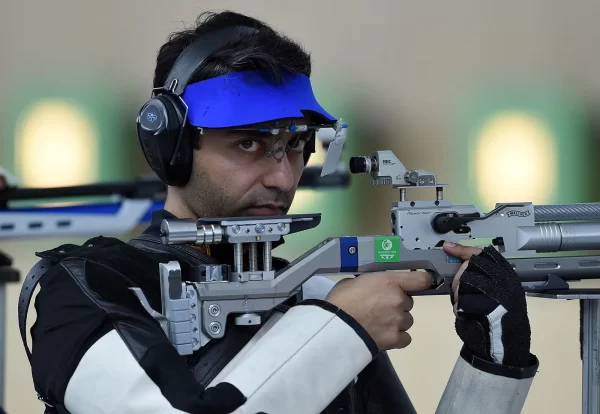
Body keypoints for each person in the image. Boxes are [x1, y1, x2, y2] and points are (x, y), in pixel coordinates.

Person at [19, 10, 539, 414]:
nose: (283, 177)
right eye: (249, 144)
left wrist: (493, 367)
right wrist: (342, 327)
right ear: (171, 146)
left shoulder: (311, 294)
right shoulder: (85, 289)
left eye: (295, 145)